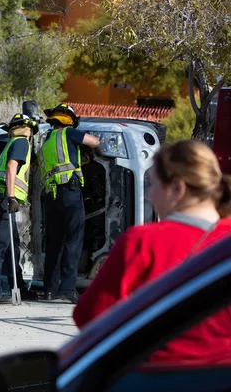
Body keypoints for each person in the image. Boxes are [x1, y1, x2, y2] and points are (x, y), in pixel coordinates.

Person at [74, 139, 231, 365]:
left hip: (156, 375)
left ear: (177, 188)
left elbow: (90, 317)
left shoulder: (142, 242)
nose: (150, 196)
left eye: (153, 185)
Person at [38, 103, 99, 304]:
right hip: (70, 193)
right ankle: (67, 289)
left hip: (51, 196)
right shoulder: (70, 133)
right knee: (73, 241)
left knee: (54, 243)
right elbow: (94, 142)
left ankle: (49, 290)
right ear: (69, 120)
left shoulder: (46, 141)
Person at [0, 113, 39, 304]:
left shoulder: (12, 142)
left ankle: (20, 288)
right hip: (4, 198)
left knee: (12, 246)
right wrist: (11, 196)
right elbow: (11, 167)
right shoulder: (22, 142)